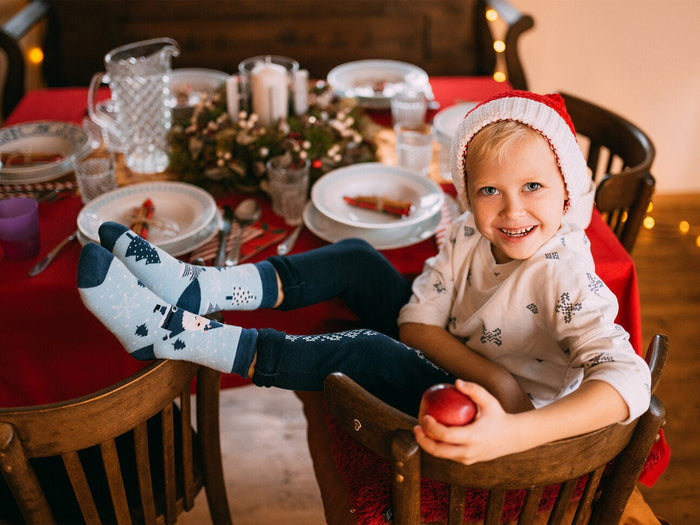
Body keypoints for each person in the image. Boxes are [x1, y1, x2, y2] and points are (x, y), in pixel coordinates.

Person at [77, 90, 650, 465]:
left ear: (568, 189)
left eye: (533, 187)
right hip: (469, 363)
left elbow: (630, 380)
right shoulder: (472, 235)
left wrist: (510, 417)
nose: (512, 211)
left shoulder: (565, 274)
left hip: (505, 424)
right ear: (467, 194)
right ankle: (200, 289)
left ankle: (181, 337)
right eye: (489, 191)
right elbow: (416, 323)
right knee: (355, 255)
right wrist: (487, 371)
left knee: (369, 351)